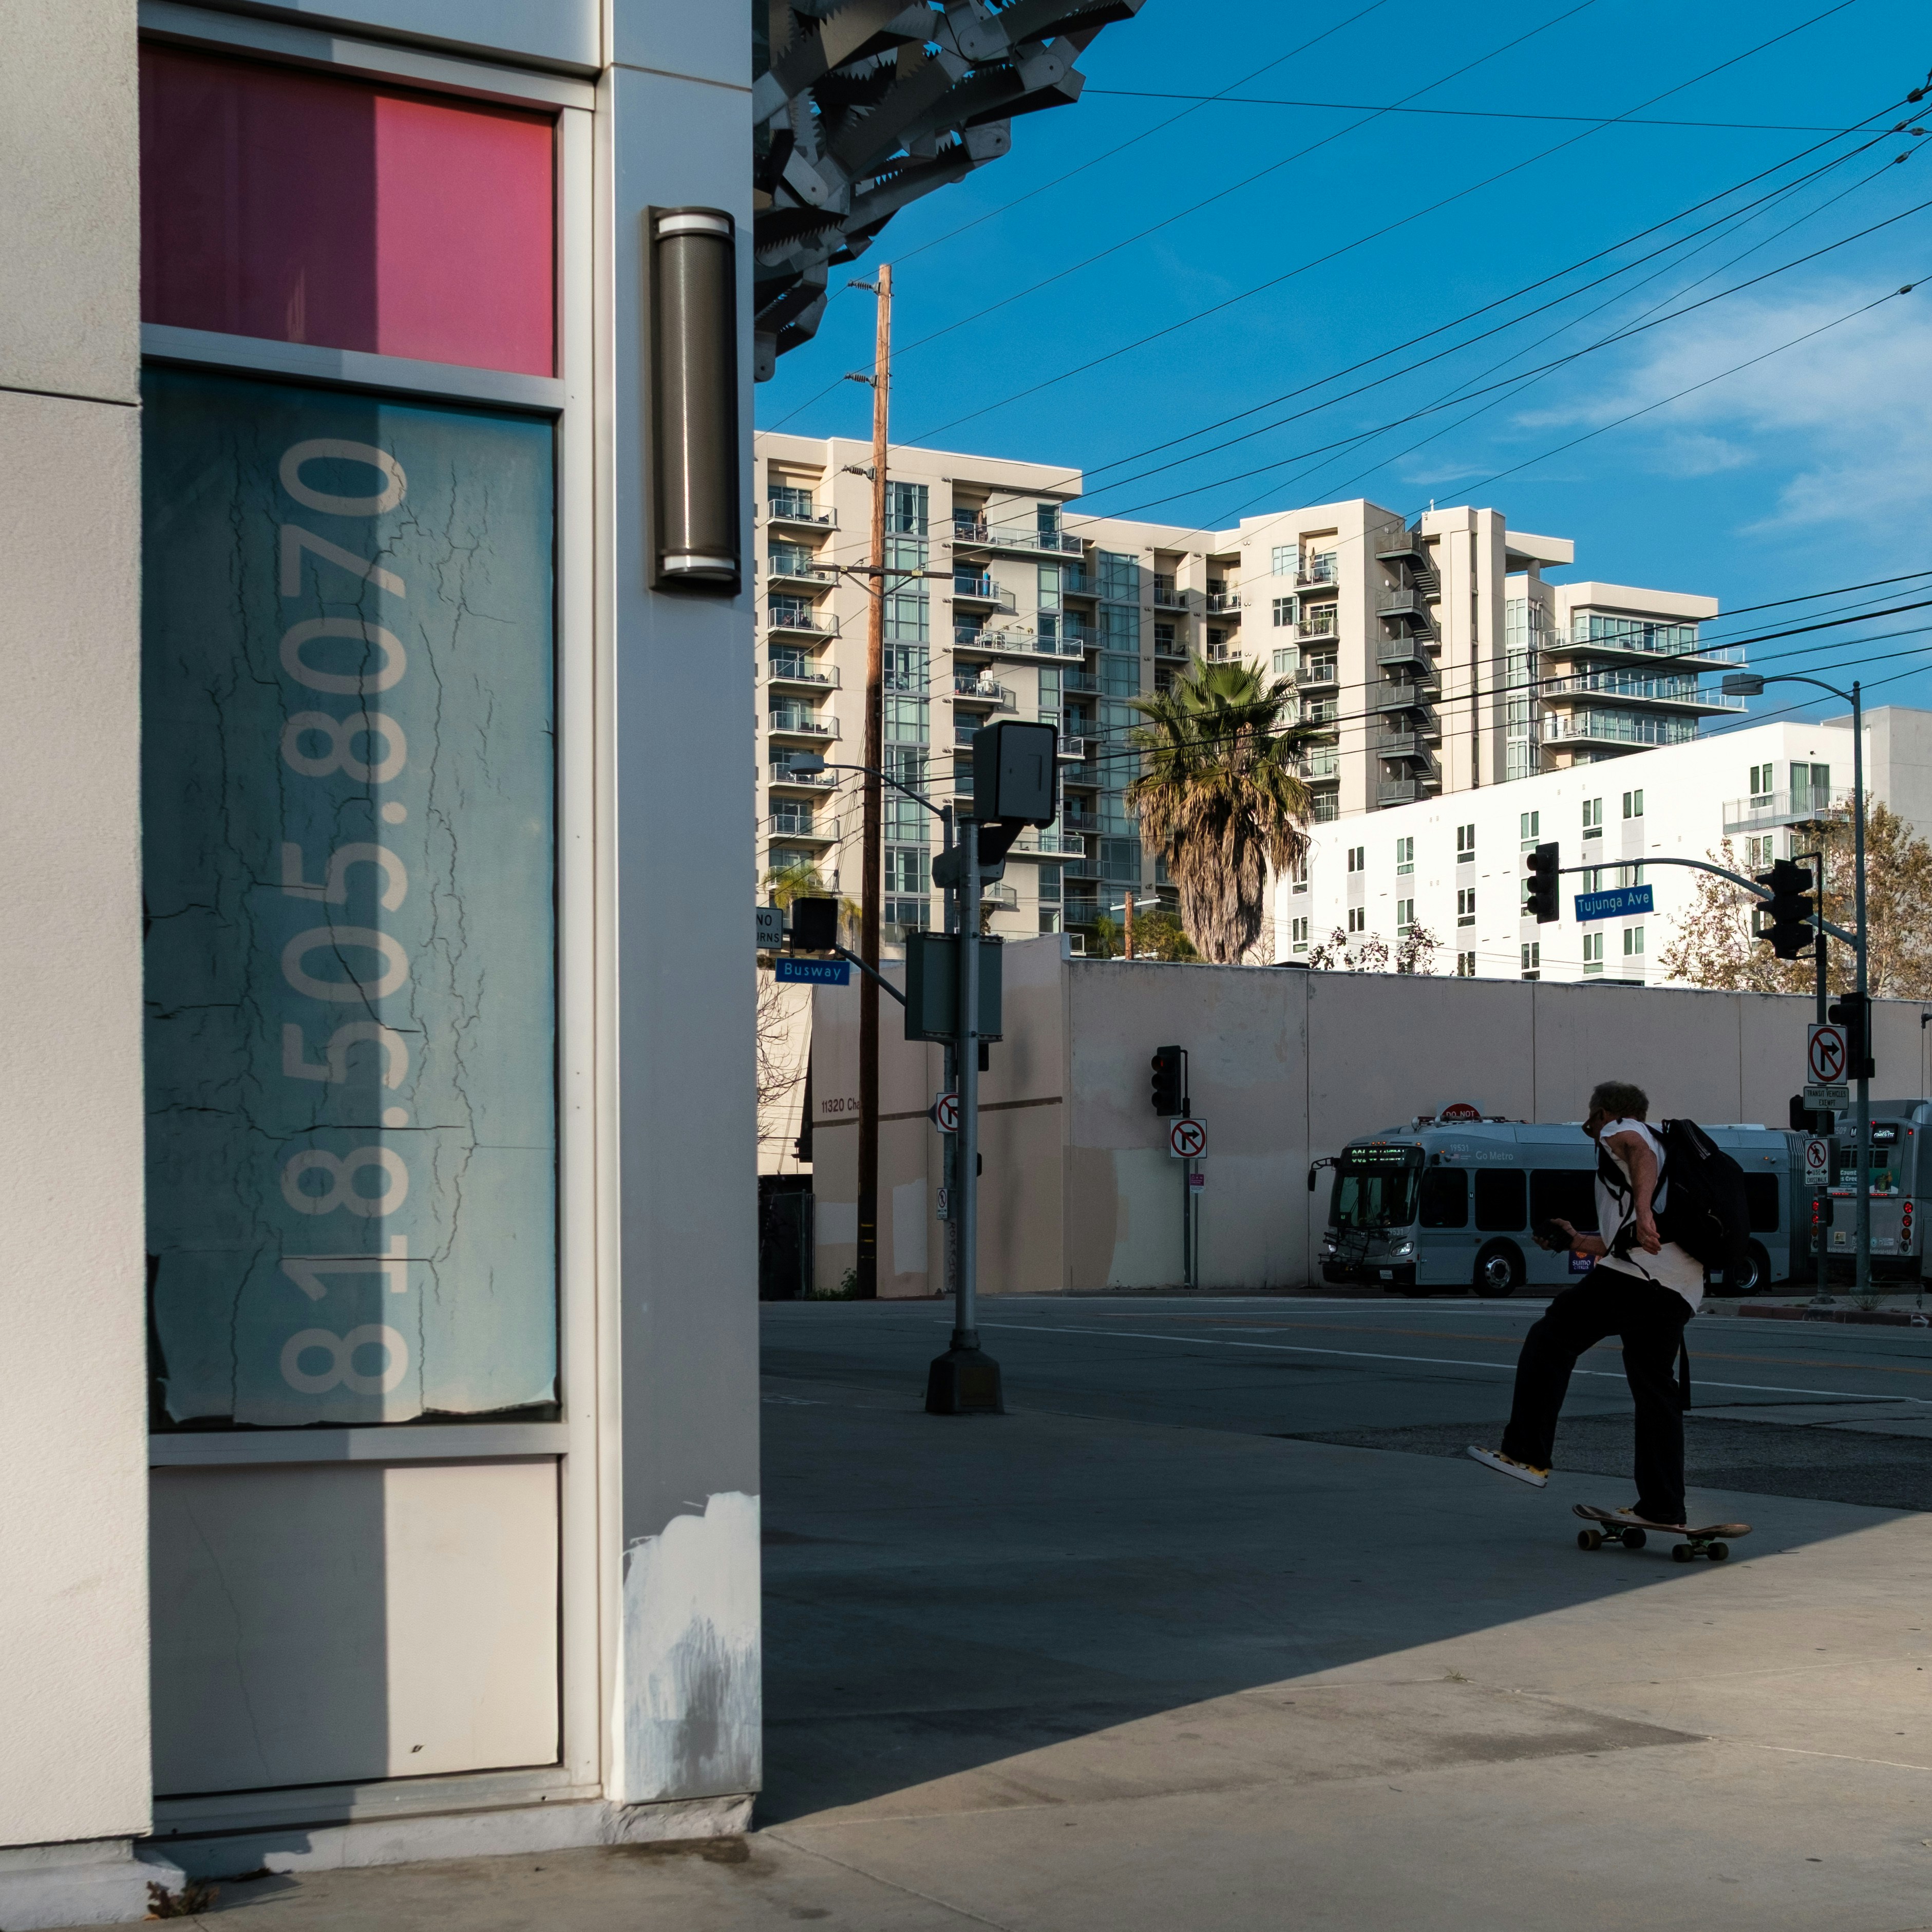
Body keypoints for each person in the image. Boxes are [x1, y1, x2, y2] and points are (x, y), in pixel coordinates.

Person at [1466, 1080, 1702, 1528]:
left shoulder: (1625, 1132)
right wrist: (1576, 1240)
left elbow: (1637, 1151)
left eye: (1590, 1119)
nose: (1587, 1128)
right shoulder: (1664, 1149)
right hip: (1678, 1288)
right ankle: (1664, 1505)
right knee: (1656, 1394)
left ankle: (1526, 1453)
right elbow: (1622, 1240)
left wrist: (1646, 1210)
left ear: (1605, 1113)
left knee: (1551, 1338)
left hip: (1640, 1279)